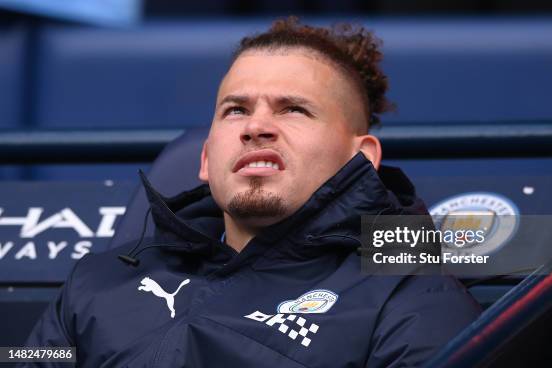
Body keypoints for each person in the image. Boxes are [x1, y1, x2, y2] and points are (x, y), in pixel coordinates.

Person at [22, 17, 480, 367]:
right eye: (236, 109)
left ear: (362, 158)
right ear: (205, 158)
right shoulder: (99, 279)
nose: (256, 126)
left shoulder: (410, 295)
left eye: (294, 109)